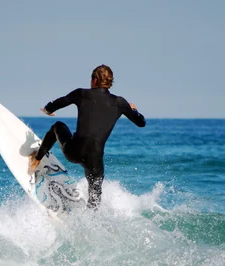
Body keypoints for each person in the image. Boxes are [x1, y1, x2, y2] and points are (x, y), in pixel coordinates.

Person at [29, 64, 146, 209]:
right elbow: (141, 123)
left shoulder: (81, 94)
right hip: (94, 160)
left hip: (73, 151)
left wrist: (47, 110)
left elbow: (58, 102)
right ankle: (92, 222)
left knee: (57, 126)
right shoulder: (120, 103)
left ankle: (36, 159)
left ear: (95, 80)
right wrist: (133, 109)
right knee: (95, 194)